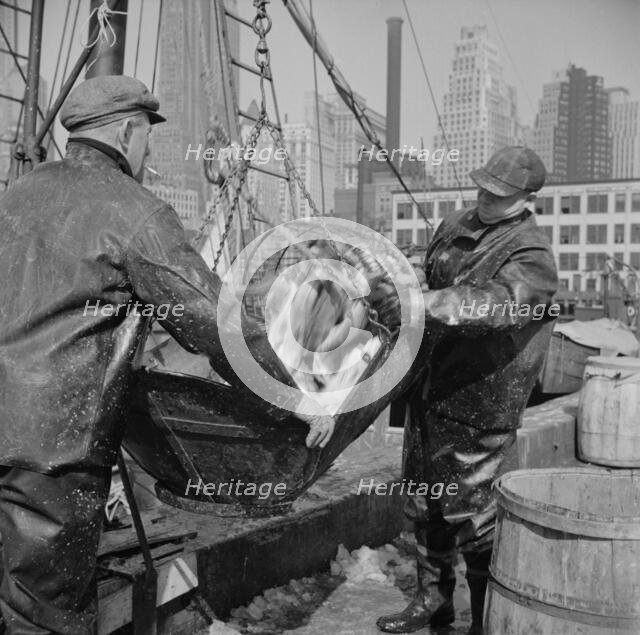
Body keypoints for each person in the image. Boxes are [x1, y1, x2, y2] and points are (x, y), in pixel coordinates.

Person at [0, 75, 334, 634]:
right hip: (55, 449)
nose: (148, 150)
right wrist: (290, 390)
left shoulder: (16, 196)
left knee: (13, 595)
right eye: (146, 137)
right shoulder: (134, 212)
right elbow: (216, 321)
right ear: (129, 131)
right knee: (47, 615)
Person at [375, 146, 558, 634]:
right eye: (481, 186)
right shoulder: (456, 224)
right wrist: (401, 278)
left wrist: (425, 303)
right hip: (431, 391)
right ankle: (432, 602)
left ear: (525, 198)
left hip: (482, 402)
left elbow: (500, 305)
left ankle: (482, 620)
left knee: (478, 522)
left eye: (496, 194)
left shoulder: (531, 253)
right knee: (426, 504)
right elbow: (431, 269)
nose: (483, 197)